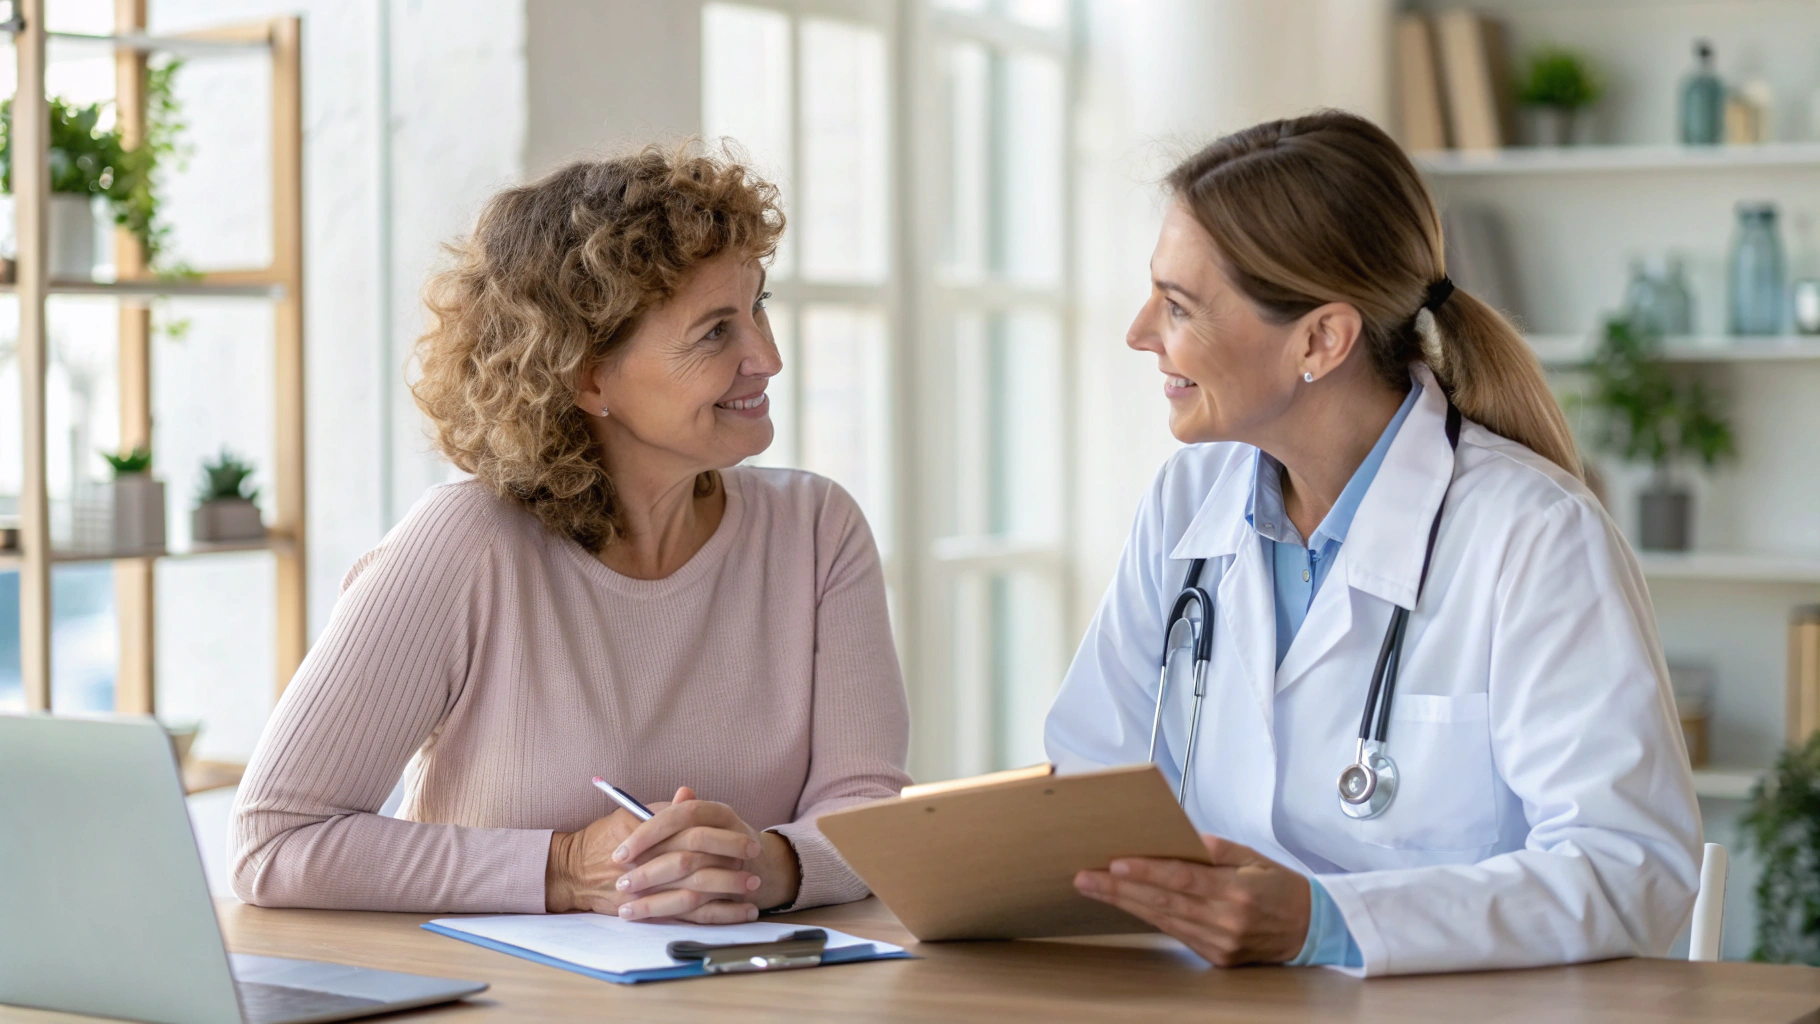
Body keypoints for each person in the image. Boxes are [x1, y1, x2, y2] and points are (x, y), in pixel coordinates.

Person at [1044, 111, 1700, 976]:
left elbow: (1630, 870)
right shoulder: (1186, 503)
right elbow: (1093, 777)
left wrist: (1327, 921)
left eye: (1178, 306)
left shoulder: (1533, 535)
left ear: (1320, 339)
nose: (1139, 332)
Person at [232, 144, 910, 923]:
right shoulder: (466, 545)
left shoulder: (818, 530)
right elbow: (275, 842)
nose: (768, 357)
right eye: (715, 332)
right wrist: (565, 869)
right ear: (588, 376)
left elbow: (866, 801)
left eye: (756, 307)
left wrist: (769, 863)